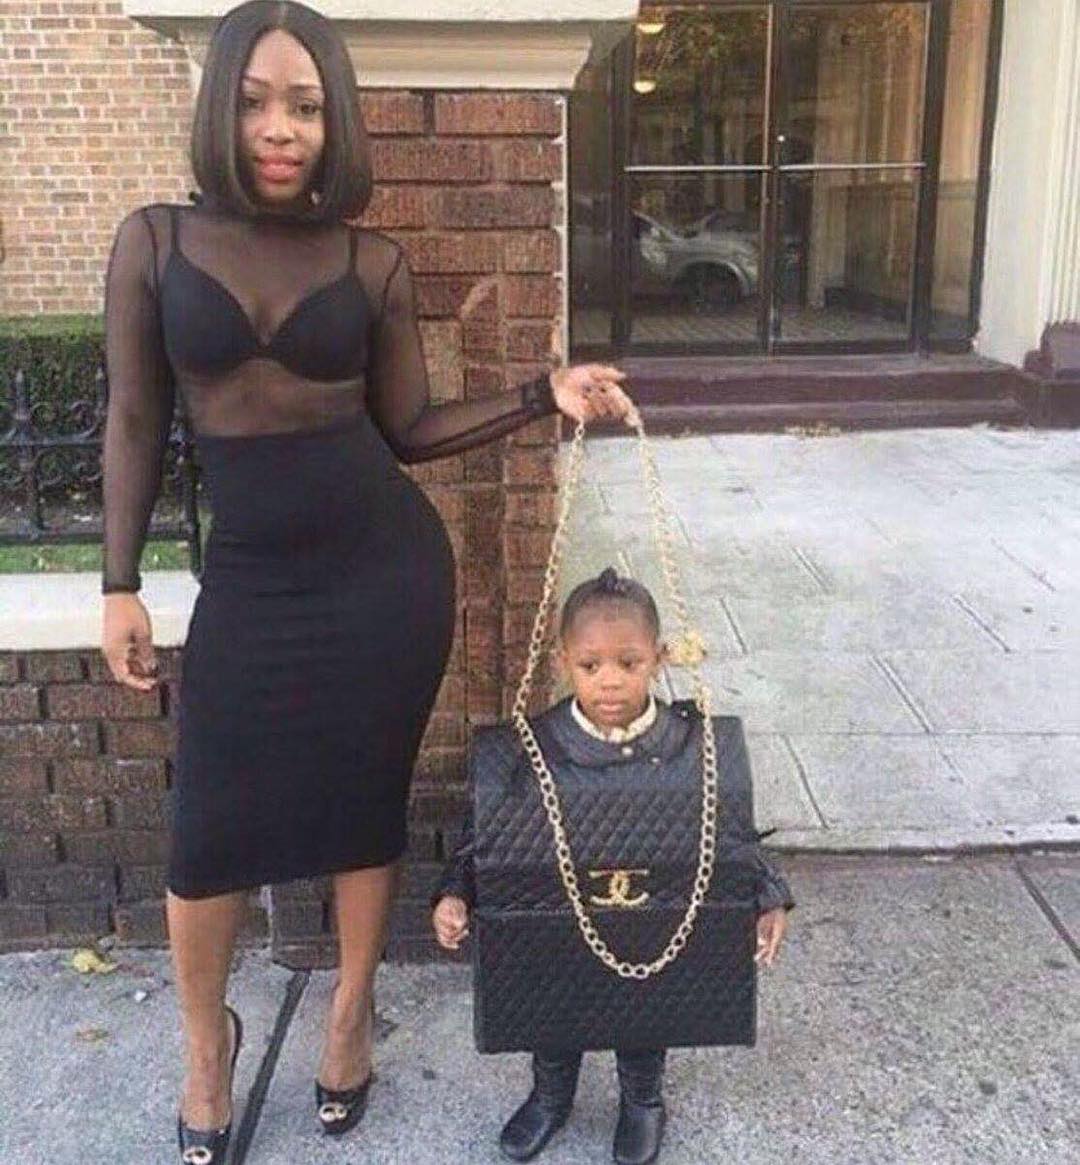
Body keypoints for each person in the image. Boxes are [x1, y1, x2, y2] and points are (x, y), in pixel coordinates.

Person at [98, 3, 635, 1161]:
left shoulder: (369, 260)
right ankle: (206, 1047)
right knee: (206, 830)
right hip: (250, 582)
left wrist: (541, 394)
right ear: (220, 109)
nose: (279, 128)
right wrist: (118, 580)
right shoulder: (155, 242)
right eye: (255, 102)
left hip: (382, 579)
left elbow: (408, 428)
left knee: (361, 807)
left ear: (334, 120)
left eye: (305, 105)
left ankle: (349, 1015)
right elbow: (134, 416)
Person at [433, 567, 793, 1165]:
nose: (609, 680)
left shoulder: (694, 747)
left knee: (646, 1009)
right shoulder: (529, 749)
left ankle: (643, 1101)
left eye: (629, 663)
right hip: (556, 915)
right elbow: (486, 837)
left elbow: (729, 830)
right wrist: (455, 892)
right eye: (590, 664)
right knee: (552, 1007)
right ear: (563, 662)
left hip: (654, 919)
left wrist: (768, 894)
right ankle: (551, 1098)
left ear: (658, 658)